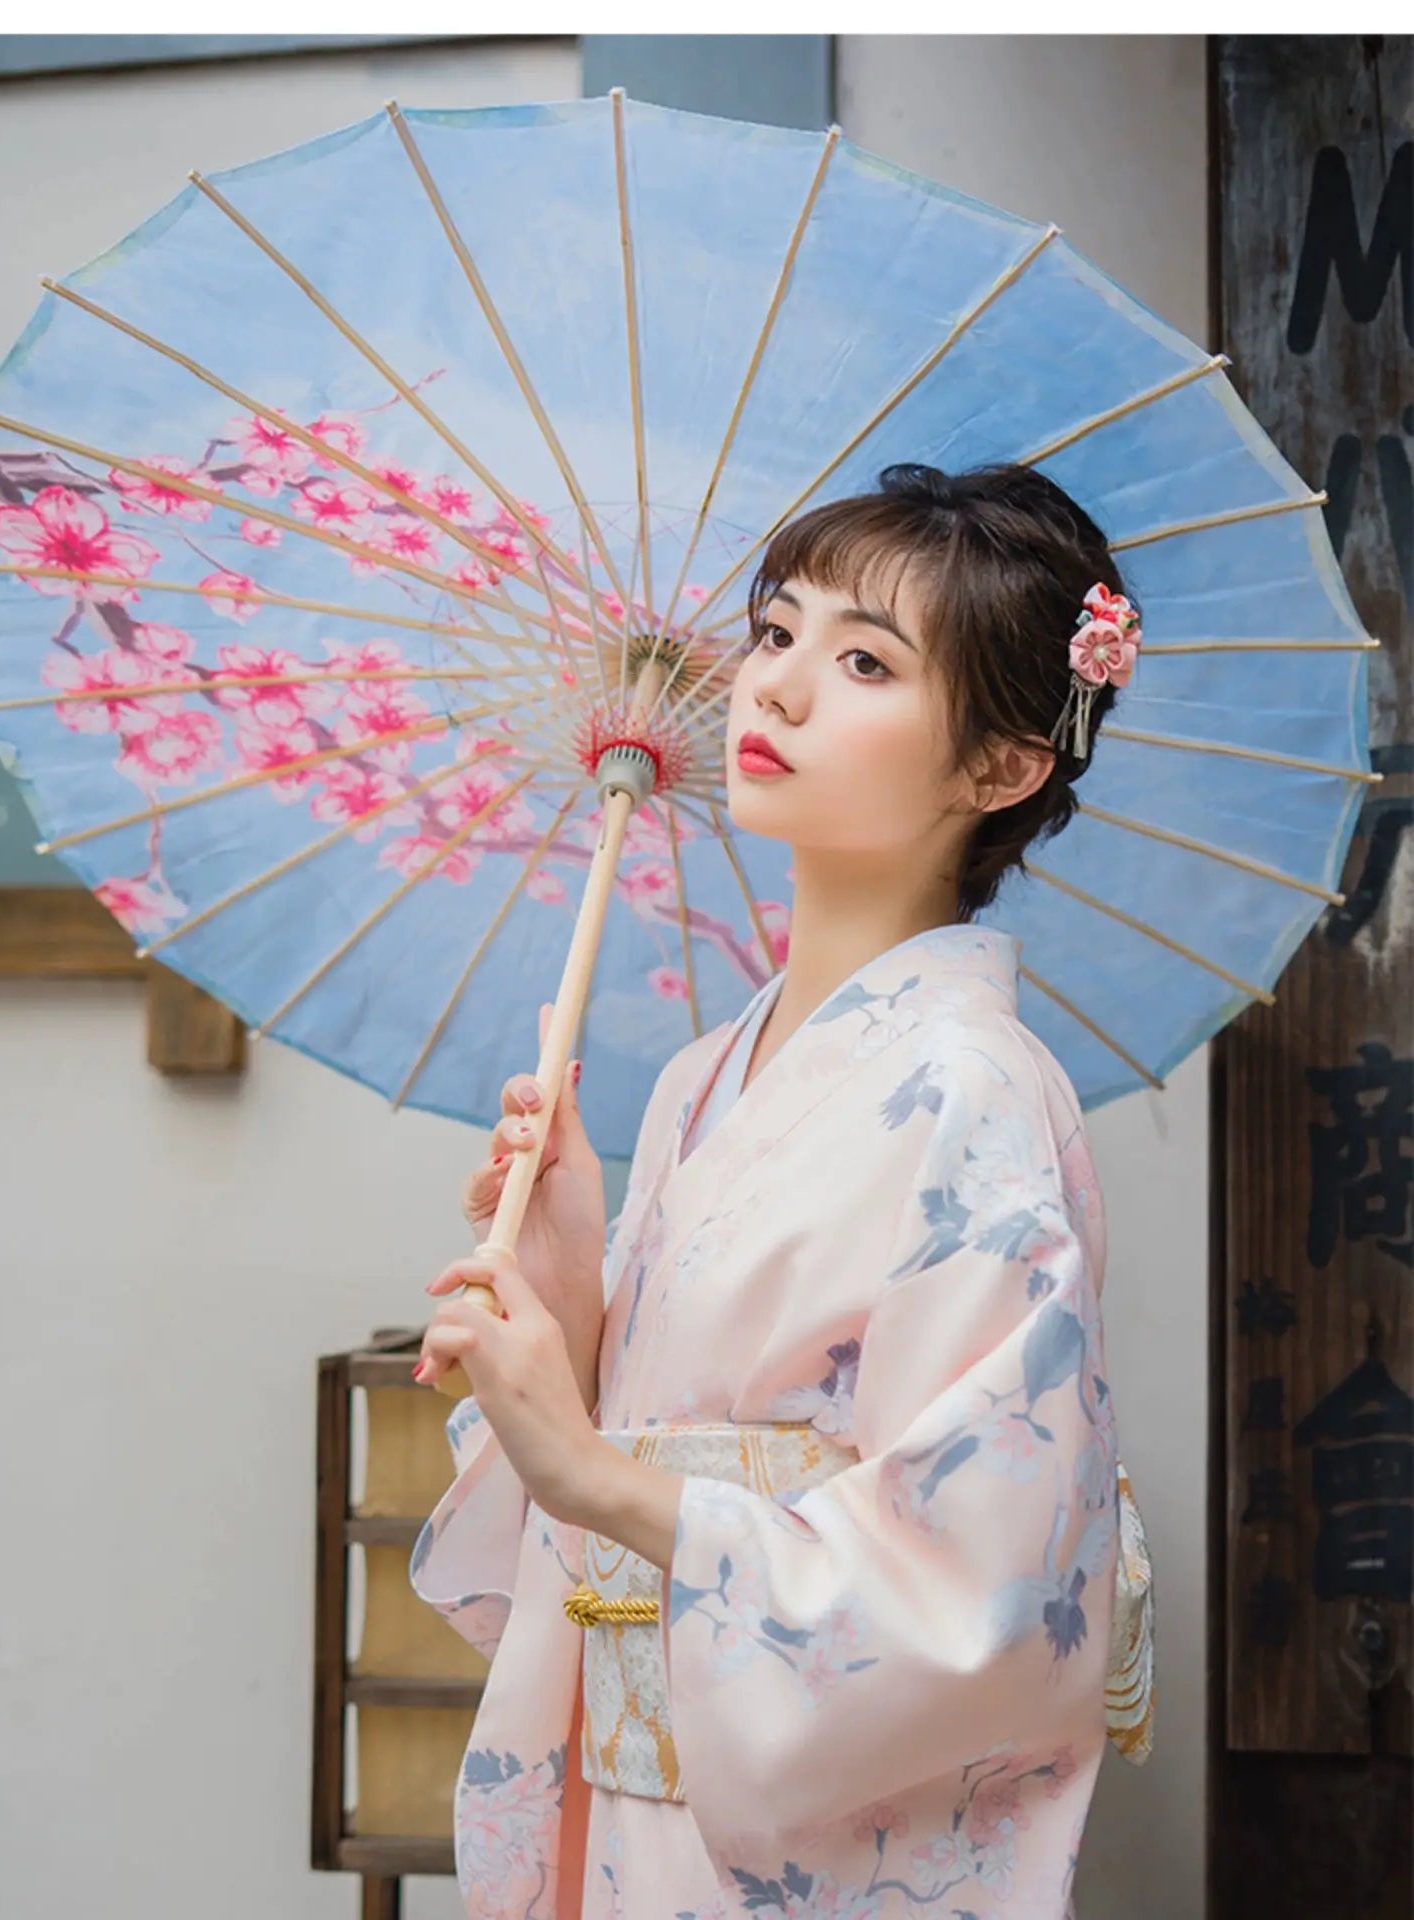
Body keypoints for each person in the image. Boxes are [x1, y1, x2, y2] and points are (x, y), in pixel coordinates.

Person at [410, 462, 1153, 1919]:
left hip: (808, 1839)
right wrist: (564, 1298)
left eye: (865, 659)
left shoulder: (972, 1088)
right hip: (632, 1810)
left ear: (1003, 767)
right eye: (775, 631)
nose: (780, 688)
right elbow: (637, 1427)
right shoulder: (703, 1078)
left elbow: (980, 1579)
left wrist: (601, 1476)